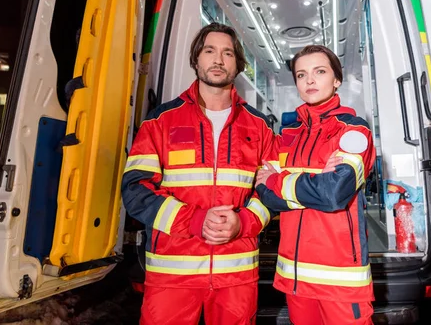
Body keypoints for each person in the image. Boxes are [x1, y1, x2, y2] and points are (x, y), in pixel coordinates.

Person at [122, 23, 275, 325]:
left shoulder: (261, 127)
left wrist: (243, 222)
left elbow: (273, 192)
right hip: (172, 275)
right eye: (209, 50)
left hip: (236, 274)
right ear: (196, 59)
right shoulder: (160, 121)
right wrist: (193, 220)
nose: (218, 59)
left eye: (227, 53)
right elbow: (135, 190)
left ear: (237, 63)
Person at [255, 45, 376, 324]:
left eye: (319, 72)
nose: (309, 80)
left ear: (336, 80)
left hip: (340, 282)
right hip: (294, 278)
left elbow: (334, 194)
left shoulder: (353, 131)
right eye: (301, 74)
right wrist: (310, 185)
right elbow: (264, 194)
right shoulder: (287, 137)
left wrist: (278, 181)